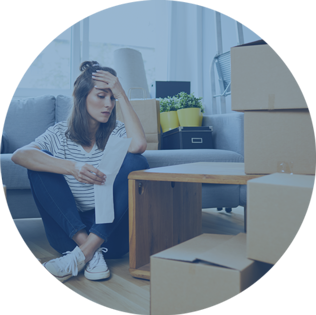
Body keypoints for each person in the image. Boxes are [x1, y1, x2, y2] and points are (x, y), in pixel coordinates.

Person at [11, 61, 149, 284]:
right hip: (69, 235)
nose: (109, 105)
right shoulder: (58, 134)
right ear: (81, 97)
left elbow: (139, 146)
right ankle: (88, 250)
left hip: (111, 236)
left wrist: (121, 93)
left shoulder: (118, 131)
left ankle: (85, 254)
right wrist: (71, 167)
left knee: (136, 161)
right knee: (39, 164)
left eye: (112, 98)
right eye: (101, 96)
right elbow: (20, 155)